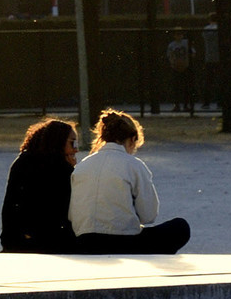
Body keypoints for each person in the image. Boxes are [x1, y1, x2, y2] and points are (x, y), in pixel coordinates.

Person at [68, 108, 191, 254]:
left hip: (84, 242)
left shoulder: (82, 166)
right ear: (132, 138)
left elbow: (72, 215)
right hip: (123, 243)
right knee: (180, 227)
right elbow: (148, 215)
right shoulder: (134, 165)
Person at [0, 118, 79, 252]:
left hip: (15, 241)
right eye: (72, 143)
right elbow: (67, 211)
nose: (76, 149)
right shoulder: (60, 168)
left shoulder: (22, 161)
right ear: (58, 142)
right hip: (51, 244)